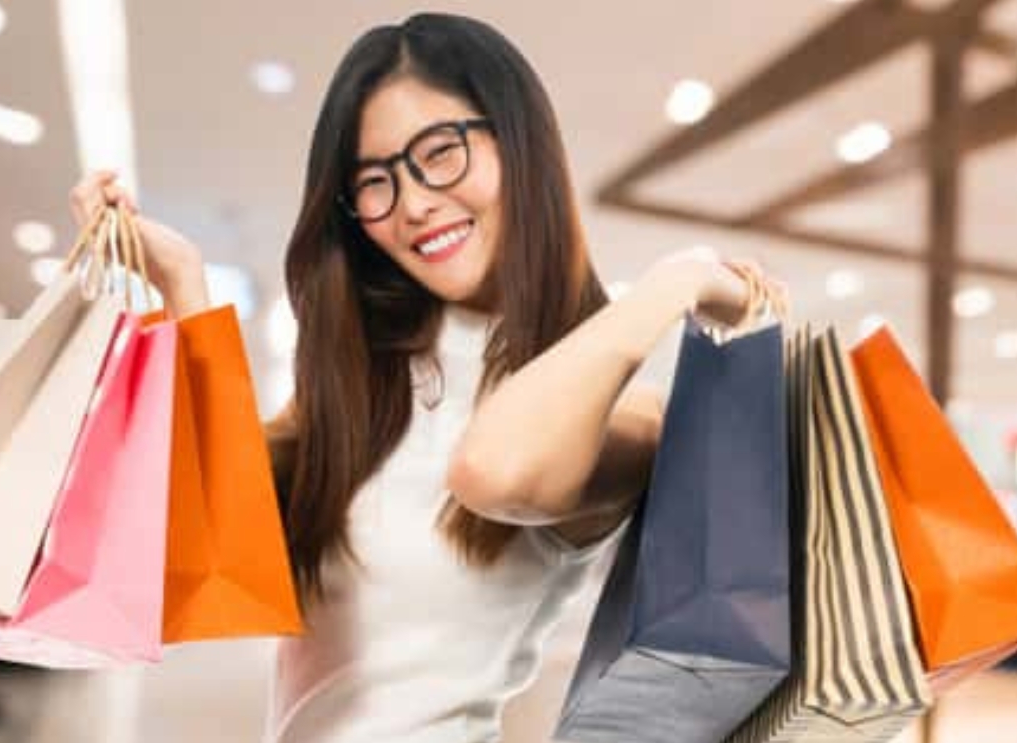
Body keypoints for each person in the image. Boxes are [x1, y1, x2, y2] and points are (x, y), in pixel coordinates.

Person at [69, 13, 783, 743]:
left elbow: (493, 469)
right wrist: (182, 285)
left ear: (519, 141)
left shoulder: (619, 419)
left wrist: (674, 283)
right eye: (372, 182)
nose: (411, 203)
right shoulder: (366, 389)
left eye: (439, 153)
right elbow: (223, 522)